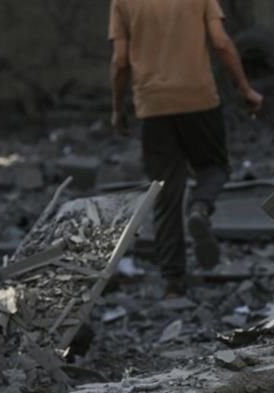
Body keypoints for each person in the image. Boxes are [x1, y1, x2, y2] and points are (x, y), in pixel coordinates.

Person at [109, 0, 264, 297]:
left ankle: (173, 281)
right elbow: (221, 42)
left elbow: (119, 61)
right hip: (200, 99)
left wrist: (117, 108)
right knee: (214, 166)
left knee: (165, 192)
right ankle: (201, 207)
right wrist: (245, 89)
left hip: (152, 105)